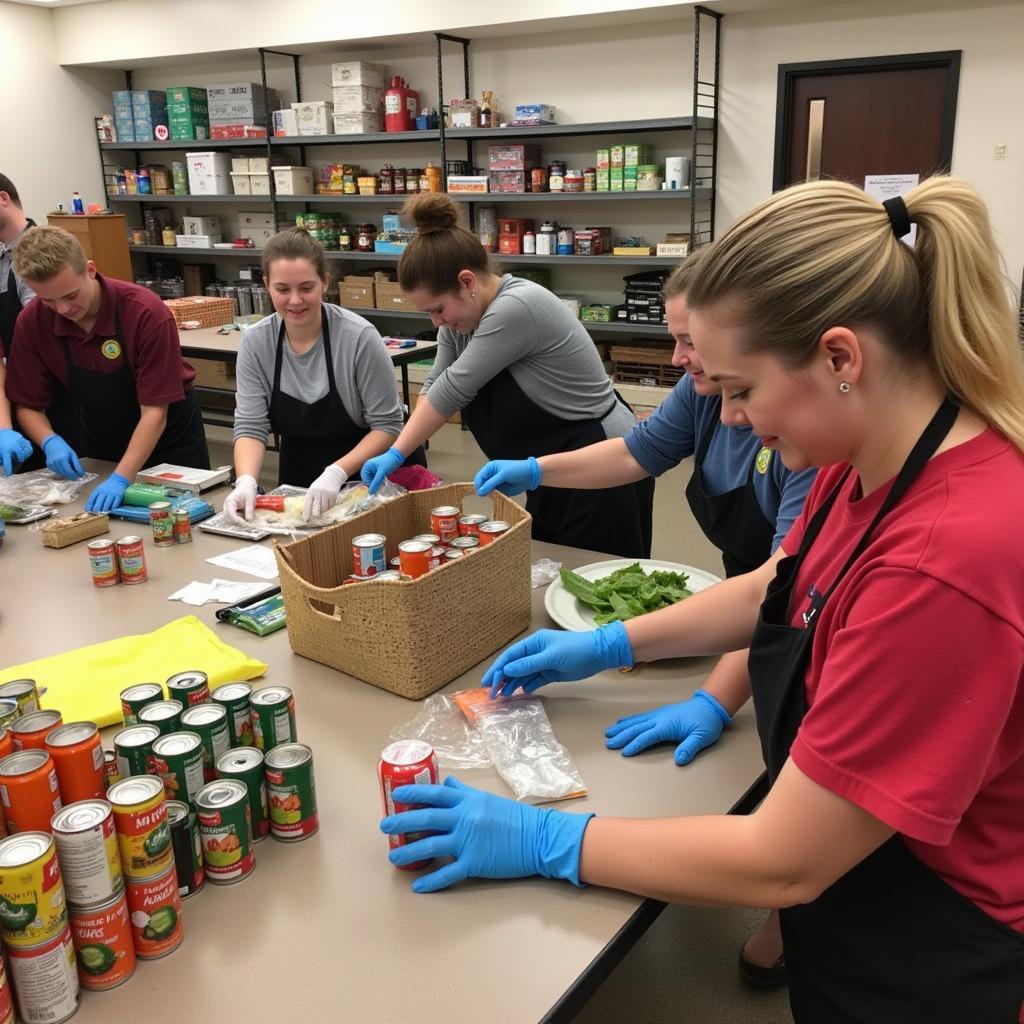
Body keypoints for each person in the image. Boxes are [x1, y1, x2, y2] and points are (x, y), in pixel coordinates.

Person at [380, 177, 1024, 1023]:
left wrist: (548, 839)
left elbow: (781, 860)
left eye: (740, 389)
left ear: (839, 358)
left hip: (936, 938)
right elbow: (779, 583)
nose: (730, 417)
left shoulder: (943, 561)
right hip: (861, 882)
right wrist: (611, 644)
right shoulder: (861, 458)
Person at [475, 253, 815, 986]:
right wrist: (537, 469)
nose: (680, 361)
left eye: (693, 346)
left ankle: (795, 931)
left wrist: (612, 646)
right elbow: (640, 452)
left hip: (776, 621)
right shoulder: (712, 395)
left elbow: (780, 594)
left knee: (795, 800)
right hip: (758, 615)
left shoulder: (818, 450)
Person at [359, 194, 655, 559]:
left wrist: (396, 450)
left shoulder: (515, 308)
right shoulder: (460, 320)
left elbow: (454, 389)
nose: (435, 321)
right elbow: (436, 383)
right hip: (550, 466)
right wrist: (399, 451)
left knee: (597, 580)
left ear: (467, 281)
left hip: (601, 461)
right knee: (554, 571)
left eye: (437, 309)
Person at [222, 227, 425, 524]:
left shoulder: (358, 338)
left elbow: (388, 424)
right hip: (301, 478)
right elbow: (251, 426)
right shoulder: (257, 342)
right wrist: (246, 482)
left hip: (372, 478)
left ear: (325, 282)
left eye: (306, 288)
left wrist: (336, 472)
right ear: (266, 285)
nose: (294, 301)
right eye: (282, 289)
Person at [5, 227, 209, 511]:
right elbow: (28, 405)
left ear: (90, 270)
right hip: (102, 441)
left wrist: (121, 478)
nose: (62, 309)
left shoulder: (144, 312)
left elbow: (154, 412)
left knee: (179, 523)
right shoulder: (32, 322)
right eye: (48, 300)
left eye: (70, 295)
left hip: (168, 443)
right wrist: (49, 440)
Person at [0, 174, 83, 476]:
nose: (59, 306)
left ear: (3, 198)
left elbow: (46, 339)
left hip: (55, 399)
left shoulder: (39, 260)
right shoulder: (2, 258)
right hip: (22, 396)